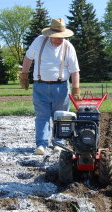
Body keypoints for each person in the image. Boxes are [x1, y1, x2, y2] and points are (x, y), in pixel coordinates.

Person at [20, 18, 81, 155]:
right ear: (49, 34)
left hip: (61, 88)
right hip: (40, 86)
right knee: (42, 116)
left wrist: (76, 89)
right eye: (55, 37)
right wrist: (24, 74)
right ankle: (41, 144)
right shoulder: (39, 41)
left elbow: (74, 70)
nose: (58, 40)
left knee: (61, 117)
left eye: (61, 37)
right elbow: (28, 58)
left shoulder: (68, 47)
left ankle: (59, 143)